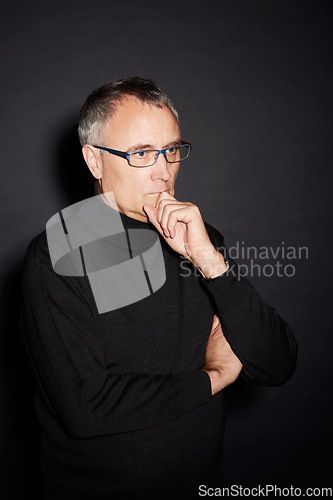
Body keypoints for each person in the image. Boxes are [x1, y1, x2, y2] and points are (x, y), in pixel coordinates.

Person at [20, 77, 297, 500]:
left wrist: (209, 262)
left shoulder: (200, 239)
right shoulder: (58, 253)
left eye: (171, 149)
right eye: (141, 153)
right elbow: (86, 407)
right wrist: (213, 377)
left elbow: (277, 364)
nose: (164, 170)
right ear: (94, 161)